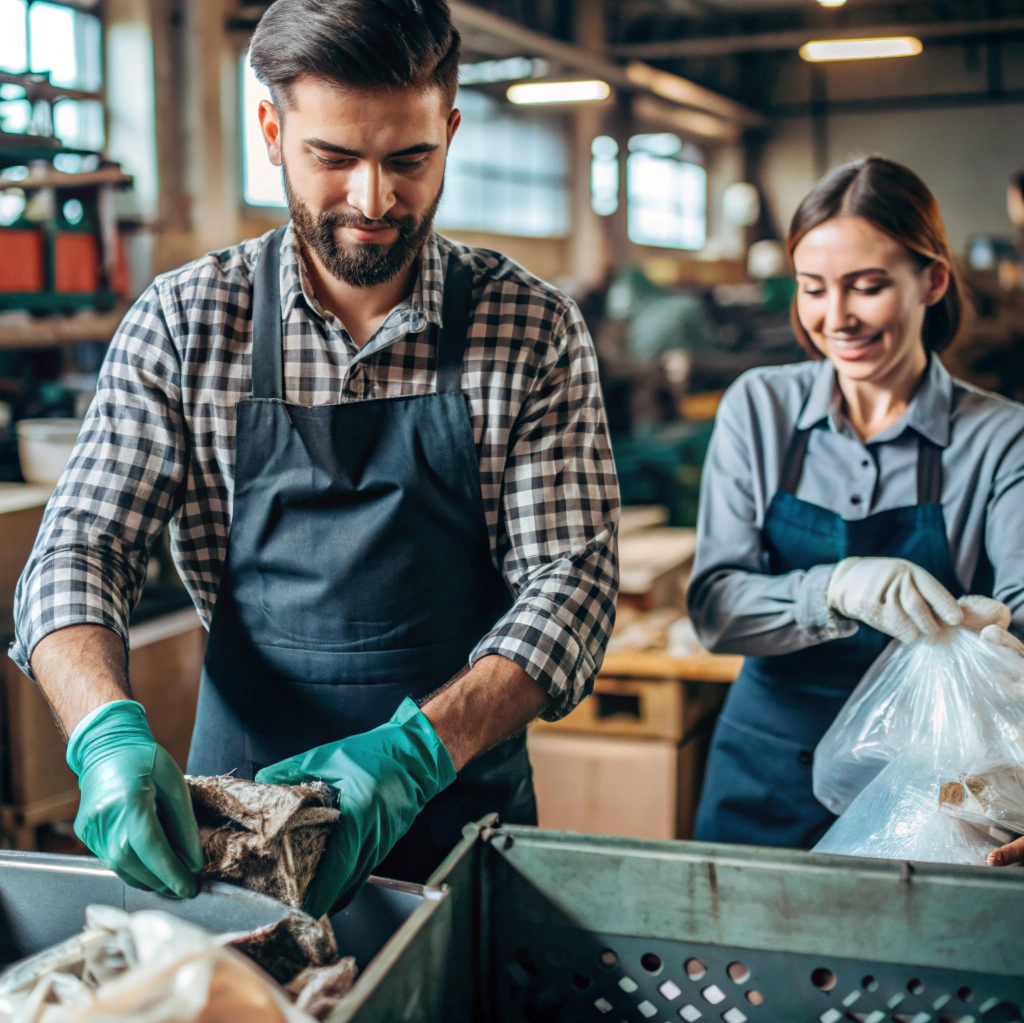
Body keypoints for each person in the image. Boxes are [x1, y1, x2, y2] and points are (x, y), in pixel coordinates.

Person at [11, 0, 619, 917]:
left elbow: (572, 581)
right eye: (334, 157)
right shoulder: (186, 323)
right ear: (271, 130)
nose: (373, 201)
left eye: (408, 159)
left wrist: (415, 752)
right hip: (239, 826)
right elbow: (79, 548)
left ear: (449, 133)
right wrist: (103, 730)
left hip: (459, 814)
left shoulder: (528, 327)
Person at [688, 157, 1024, 860]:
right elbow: (716, 608)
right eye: (813, 288)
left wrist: (999, 641)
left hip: (930, 791)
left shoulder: (1000, 439)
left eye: (867, 287)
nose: (835, 317)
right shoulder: (761, 408)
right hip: (765, 773)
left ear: (932, 279)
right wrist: (834, 588)